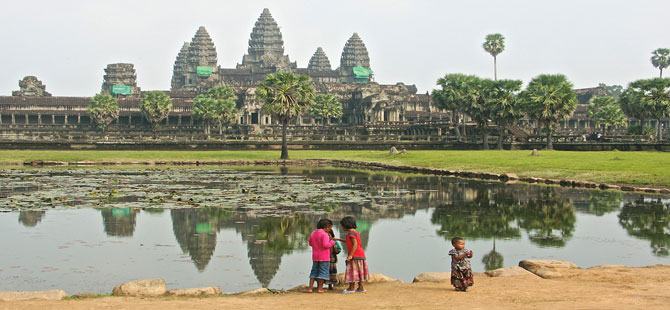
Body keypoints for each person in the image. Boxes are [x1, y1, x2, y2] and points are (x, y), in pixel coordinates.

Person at [339, 216, 369, 293]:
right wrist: (337, 239)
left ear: (346, 225)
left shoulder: (351, 233)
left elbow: (355, 244)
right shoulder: (355, 232)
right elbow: (349, 241)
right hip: (360, 255)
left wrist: (350, 255)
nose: (341, 227)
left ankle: (351, 287)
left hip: (355, 255)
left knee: (352, 271)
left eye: (342, 225)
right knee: (359, 271)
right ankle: (361, 287)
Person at [305, 219, 336, 293]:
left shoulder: (313, 233)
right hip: (324, 257)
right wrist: (332, 242)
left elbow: (310, 243)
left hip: (315, 256)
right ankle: (320, 288)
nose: (329, 230)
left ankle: (310, 288)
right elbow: (326, 245)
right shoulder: (324, 234)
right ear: (327, 227)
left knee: (314, 271)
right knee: (323, 272)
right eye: (330, 228)